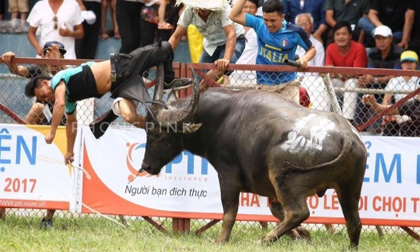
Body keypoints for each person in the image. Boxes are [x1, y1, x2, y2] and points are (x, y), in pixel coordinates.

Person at [24, 41, 192, 164]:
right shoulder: (69, 98)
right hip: (122, 87)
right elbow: (71, 122)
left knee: (165, 49)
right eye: (43, 100)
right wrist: (69, 151)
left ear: (45, 83)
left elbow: (59, 104)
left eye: (43, 95)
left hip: (122, 66)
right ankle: (161, 128)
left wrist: (52, 132)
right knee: (129, 116)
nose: (46, 100)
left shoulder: (58, 80)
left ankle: (169, 82)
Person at [1, 42, 67, 228]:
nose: (55, 57)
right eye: (51, 53)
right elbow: (18, 70)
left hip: (62, 127)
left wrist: (60, 63)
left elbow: (71, 69)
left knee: (56, 172)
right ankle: (21, 139)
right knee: (38, 107)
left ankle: (48, 218)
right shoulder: (39, 71)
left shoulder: (68, 72)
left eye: (59, 54)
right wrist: (10, 60)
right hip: (39, 126)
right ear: (44, 55)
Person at [230, 0, 315, 103]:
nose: (269, 24)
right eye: (266, 20)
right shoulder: (259, 23)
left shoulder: (295, 32)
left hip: (288, 84)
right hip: (264, 85)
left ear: (282, 17)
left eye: (273, 20)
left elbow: (311, 49)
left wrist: (304, 59)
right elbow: (233, 15)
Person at [169, 0, 246, 90]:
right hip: (211, 45)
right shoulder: (189, 11)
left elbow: (231, 34)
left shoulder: (223, 9)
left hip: (235, 40)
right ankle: (198, 96)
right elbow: (176, 37)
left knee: (220, 68)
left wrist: (226, 59)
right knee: (198, 77)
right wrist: (163, 55)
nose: (203, 8)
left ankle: (197, 97)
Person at [354, 25, 403, 132]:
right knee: (364, 93)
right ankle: (361, 127)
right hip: (377, 85)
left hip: (393, 86)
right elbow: (370, 72)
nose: (381, 41)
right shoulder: (372, 52)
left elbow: (396, 75)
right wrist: (366, 79)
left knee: (394, 86)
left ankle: (385, 127)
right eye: (378, 38)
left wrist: (374, 79)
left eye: (384, 38)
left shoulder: (399, 52)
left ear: (390, 38)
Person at [325, 21, 367, 122]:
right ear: (334, 36)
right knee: (326, 83)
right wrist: (345, 73)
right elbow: (329, 72)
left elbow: (356, 73)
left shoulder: (359, 48)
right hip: (339, 83)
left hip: (357, 85)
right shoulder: (330, 48)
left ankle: (348, 120)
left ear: (350, 35)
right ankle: (325, 116)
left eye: (344, 34)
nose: (341, 37)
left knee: (351, 83)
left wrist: (337, 72)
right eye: (338, 34)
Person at [295, 13, 329, 111]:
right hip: (294, 79)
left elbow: (318, 69)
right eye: (300, 25)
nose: (303, 27)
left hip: (312, 80)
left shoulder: (317, 45)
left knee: (316, 83)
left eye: (306, 24)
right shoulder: (291, 43)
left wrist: (303, 78)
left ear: (312, 27)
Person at [381, 50, 419, 136]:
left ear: (416, 64)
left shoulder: (419, 80)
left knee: (406, 125)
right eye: (405, 62)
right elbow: (386, 99)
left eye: (411, 62)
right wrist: (386, 113)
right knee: (390, 126)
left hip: (414, 113)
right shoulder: (395, 80)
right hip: (397, 112)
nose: (408, 65)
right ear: (401, 64)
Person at [228, 0, 259, 87]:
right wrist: (226, 78)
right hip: (233, 77)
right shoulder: (232, 27)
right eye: (245, 7)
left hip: (254, 78)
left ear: (256, 9)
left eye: (251, 7)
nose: (248, 10)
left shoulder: (260, 28)